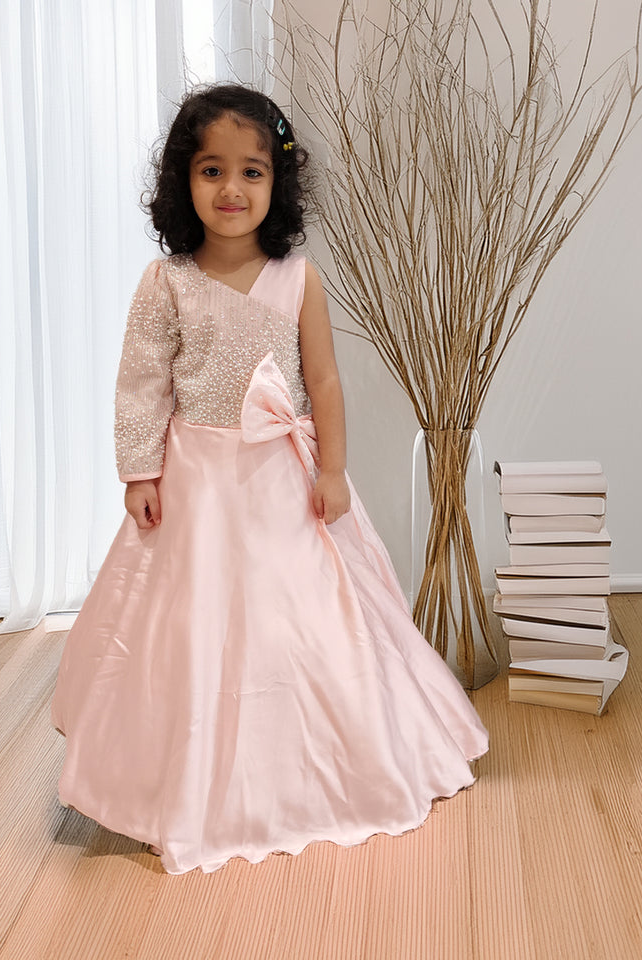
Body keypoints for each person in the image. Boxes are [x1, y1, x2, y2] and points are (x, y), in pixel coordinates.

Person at [51, 84, 488, 875]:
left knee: (304, 617)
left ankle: (317, 765)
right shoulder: (166, 282)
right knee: (193, 625)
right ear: (183, 180)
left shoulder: (297, 278)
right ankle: (186, 777)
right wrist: (139, 470)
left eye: (252, 173)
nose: (231, 190)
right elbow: (142, 382)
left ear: (277, 186)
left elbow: (322, 384)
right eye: (212, 170)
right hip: (197, 485)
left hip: (282, 480)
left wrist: (334, 470)